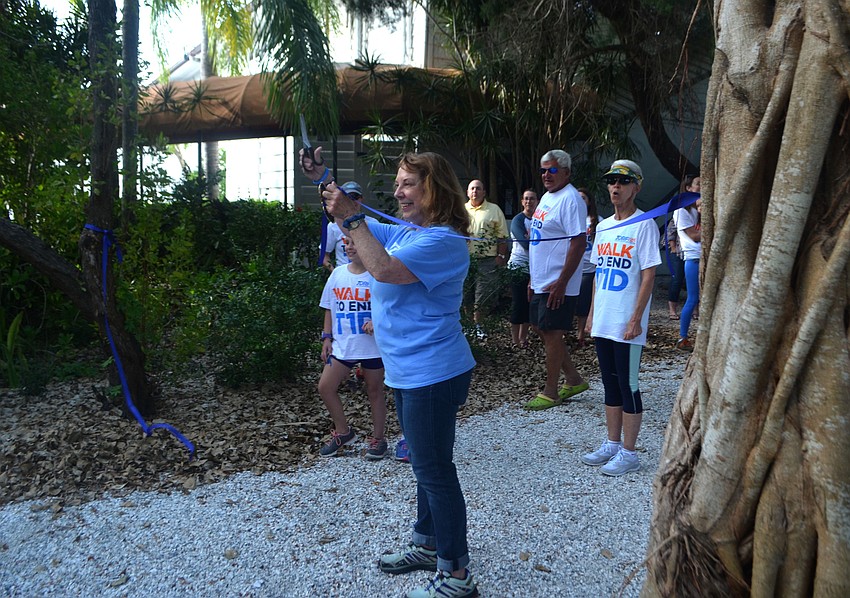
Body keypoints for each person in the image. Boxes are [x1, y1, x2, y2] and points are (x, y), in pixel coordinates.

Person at [301, 148, 479, 598]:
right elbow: (354, 222)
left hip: (432, 372)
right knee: (424, 464)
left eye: (407, 184)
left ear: (433, 189)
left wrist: (352, 219)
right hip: (408, 370)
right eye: (397, 184)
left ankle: (457, 575)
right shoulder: (408, 231)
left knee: (434, 469)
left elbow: (381, 268)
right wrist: (324, 178)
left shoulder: (442, 242)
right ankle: (428, 544)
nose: (397, 192)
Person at [581, 160, 660, 476]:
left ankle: (630, 451)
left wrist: (636, 318)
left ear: (636, 187)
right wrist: (590, 315)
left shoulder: (644, 224)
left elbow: (650, 273)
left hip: (627, 322)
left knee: (629, 385)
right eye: (612, 181)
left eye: (623, 182)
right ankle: (612, 443)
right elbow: (599, 273)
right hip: (604, 318)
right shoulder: (603, 226)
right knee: (609, 385)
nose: (616, 187)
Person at [524, 149, 589, 410]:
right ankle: (573, 378)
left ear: (566, 172)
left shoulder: (571, 199)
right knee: (540, 327)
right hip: (541, 278)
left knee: (552, 332)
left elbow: (579, 241)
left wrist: (562, 281)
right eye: (543, 170)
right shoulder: (548, 198)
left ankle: (551, 391)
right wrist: (532, 278)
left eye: (552, 170)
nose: (546, 175)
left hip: (557, 281)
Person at [318, 236, 387, 459]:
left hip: (372, 347)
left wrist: (377, 322)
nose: (349, 247)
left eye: (354, 243)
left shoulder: (378, 276)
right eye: (346, 243)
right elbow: (328, 307)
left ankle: (378, 438)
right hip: (343, 345)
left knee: (375, 391)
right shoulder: (337, 274)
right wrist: (326, 338)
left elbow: (390, 307)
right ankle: (343, 432)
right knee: (325, 387)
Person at [464, 179, 509, 333]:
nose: (475, 191)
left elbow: (502, 236)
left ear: (484, 192)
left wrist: (501, 256)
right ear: (467, 192)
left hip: (487, 260)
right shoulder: (461, 210)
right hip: (466, 260)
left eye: (478, 188)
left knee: (482, 295)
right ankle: (469, 326)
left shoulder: (494, 209)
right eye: (472, 189)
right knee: (465, 294)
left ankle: (478, 326)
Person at [319, 182, 377, 271]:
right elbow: (323, 254)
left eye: (355, 197)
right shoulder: (333, 225)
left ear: (361, 199)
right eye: (348, 197)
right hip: (344, 277)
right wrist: (335, 272)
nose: (351, 201)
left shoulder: (373, 223)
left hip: (367, 276)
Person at [507, 189, 539, 348]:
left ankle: (523, 337)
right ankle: (514, 339)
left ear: (537, 201)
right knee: (518, 303)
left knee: (528, 304)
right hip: (518, 267)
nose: (529, 202)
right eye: (526, 198)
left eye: (532, 199)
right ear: (522, 201)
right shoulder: (518, 220)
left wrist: (532, 239)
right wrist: (534, 240)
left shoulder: (540, 220)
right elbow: (525, 244)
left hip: (535, 269)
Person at [673, 175, 702, 351]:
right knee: (692, 299)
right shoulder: (681, 210)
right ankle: (682, 337)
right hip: (693, 258)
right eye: (698, 184)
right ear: (688, 188)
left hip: (703, 256)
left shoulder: (695, 209)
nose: (702, 187)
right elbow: (693, 236)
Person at [574, 188, 598, 346]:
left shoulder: (597, 220)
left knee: (584, 303)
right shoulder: (571, 218)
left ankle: (581, 334)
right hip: (571, 267)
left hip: (589, 268)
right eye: (578, 197)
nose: (580, 200)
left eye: (584, 198)